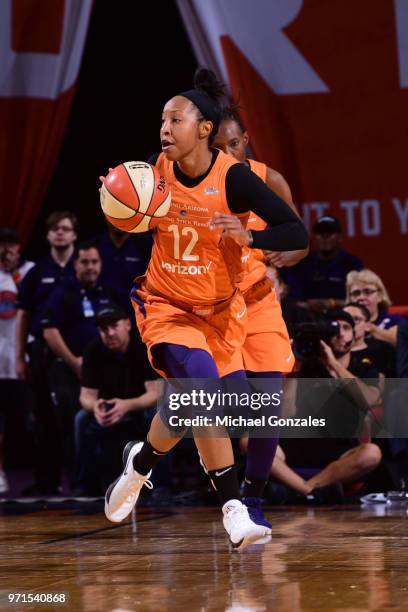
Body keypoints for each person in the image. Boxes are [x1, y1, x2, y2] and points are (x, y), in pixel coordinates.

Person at [103, 68, 308, 549]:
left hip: (220, 314)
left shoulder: (236, 179)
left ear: (204, 129)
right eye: (161, 120)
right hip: (167, 306)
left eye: (175, 120)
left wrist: (251, 236)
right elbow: (128, 210)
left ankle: (141, 463)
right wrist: (118, 206)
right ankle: (236, 508)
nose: (164, 129)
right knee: (205, 391)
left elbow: (296, 234)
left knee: (214, 406)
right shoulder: (154, 172)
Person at [211, 107, 308, 527]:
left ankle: (253, 499)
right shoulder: (204, 182)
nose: (228, 153)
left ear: (246, 140)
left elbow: (298, 240)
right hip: (218, 306)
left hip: (261, 301)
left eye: (234, 144)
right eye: (219, 147)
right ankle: (227, 492)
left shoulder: (270, 180)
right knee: (234, 406)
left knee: (269, 405)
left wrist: (288, 253)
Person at [269, 309, 382, 503]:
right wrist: (295, 367)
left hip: (340, 451)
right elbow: (285, 415)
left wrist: (334, 365)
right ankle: (309, 493)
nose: (340, 332)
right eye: (334, 327)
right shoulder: (306, 365)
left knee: (372, 453)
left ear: (354, 335)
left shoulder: (363, 366)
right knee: (251, 440)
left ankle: (300, 491)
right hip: (295, 446)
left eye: (346, 328)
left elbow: (370, 400)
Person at [41, 241, 119, 485]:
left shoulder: (109, 293)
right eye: (84, 262)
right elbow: (49, 332)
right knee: (71, 422)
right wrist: (76, 363)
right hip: (67, 369)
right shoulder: (63, 292)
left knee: (107, 420)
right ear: (75, 264)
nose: (90, 267)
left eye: (94, 262)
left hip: (105, 372)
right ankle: (79, 482)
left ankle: (108, 479)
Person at [16, 211, 78, 494]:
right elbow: (24, 315)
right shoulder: (38, 271)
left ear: (74, 234)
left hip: (77, 353)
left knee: (73, 418)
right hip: (42, 352)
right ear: (48, 235)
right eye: (55, 229)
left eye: (65, 229)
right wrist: (19, 356)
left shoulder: (84, 265)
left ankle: (81, 480)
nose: (60, 233)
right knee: (42, 418)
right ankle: (47, 482)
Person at [75, 304, 158, 495]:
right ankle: (86, 487)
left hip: (139, 406)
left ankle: (161, 486)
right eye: (104, 329)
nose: (110, 333)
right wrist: (95, 407)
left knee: (158, 416)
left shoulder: (144, 346)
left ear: (128, 324)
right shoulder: (93, 350)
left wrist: (126, 406)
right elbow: (85, 397)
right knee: (81, 419)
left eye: (114, 326)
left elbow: (156, 394)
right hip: (109, 409)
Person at [0, 226, 34, 493]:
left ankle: (45, 476)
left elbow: (29, 304)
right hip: (1, 358)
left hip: (25, 356)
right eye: (2, 245)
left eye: (11, 245)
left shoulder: (30, 272)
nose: (6, 250)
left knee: (33, 419)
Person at [284, 215, 363, 310]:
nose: (325, 236)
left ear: (340, 237)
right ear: (313, 237)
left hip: (344, 317)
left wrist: (332, 303)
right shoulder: (301, 264)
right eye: (320, 232)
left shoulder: (352, 263)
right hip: (306, 317)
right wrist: (308, 305)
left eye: (330, 232)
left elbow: (360, 301)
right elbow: (290, 301)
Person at [95, 223, 152, 315]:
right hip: (101, 309)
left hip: (136, 311)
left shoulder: (145, 246)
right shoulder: (95, 245)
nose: (118, 219)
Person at [346, 269, 406, 347]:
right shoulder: (343, 323)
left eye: (367, 292)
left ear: (380, 296)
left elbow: (401, 341)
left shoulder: (395, 320)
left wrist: (370, 328)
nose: (361, 297)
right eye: (356, 293)